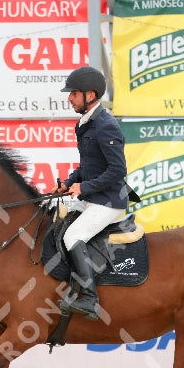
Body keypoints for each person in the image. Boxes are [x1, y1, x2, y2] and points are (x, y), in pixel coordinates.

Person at [54, 66, 132, 321]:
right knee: (57, 221)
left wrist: (84, 187)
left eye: (74, 93)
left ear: (90, 94)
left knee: (73, 235)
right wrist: (69, 182)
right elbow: (88, 166)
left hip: (109, 202)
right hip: (92, 198)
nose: (69, 98)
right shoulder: (86, 123)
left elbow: (118, 170)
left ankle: (89, 298)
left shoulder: (105, 125)